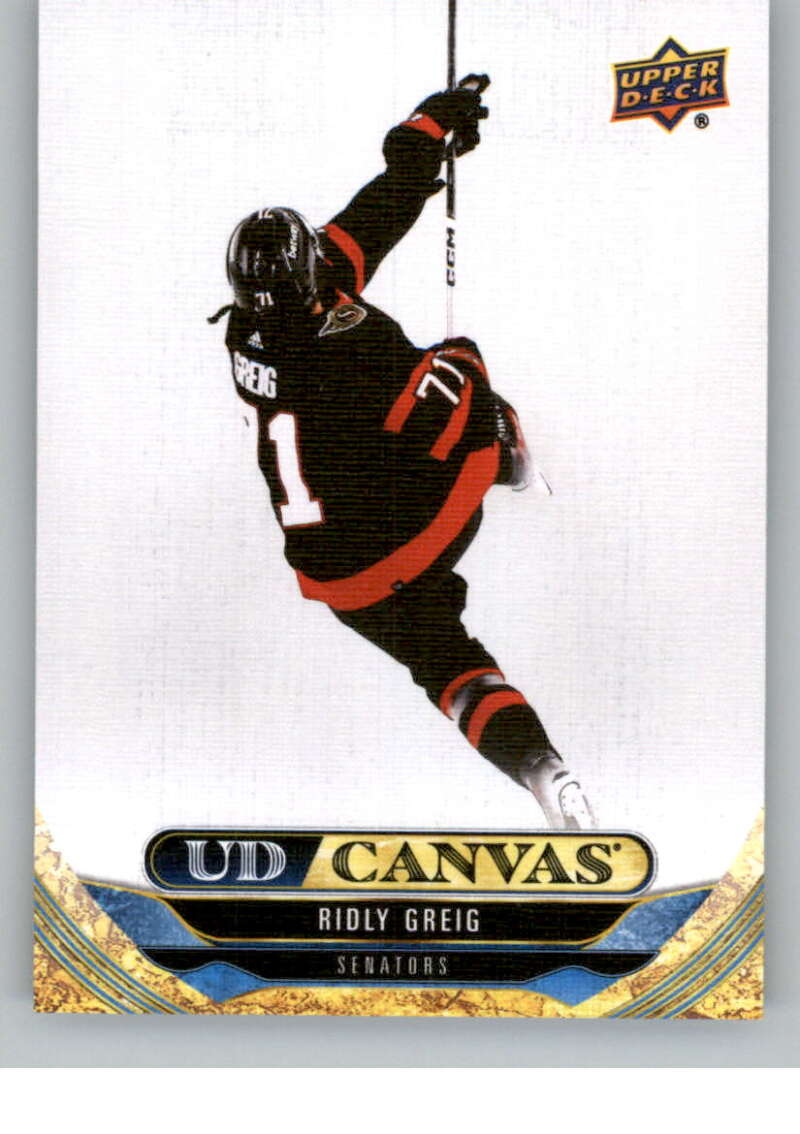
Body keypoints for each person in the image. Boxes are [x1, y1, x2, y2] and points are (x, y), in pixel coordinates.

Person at [209, 76, 594, 828]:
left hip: (336, 575)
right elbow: (432, 428)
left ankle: (545, 772)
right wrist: (480, 409)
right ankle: (517, 461)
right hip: (406, 525)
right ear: (308, 281)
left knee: (447, 664)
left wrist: (425, 131)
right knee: (459, 367)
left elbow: (374, 215)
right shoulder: (344, 354)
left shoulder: (251, 327)